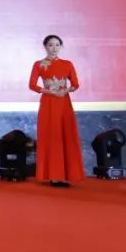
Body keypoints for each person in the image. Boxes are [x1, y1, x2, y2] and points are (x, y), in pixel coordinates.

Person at [28, 35, 84, 187]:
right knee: (51, 136)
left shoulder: (67, 64)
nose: (54, 48)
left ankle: (66, 175)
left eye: (57, 45)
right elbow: (32, 85)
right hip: (48, 102)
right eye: (51, 45)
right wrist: (49, 92)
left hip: (64, 102)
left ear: (61, 47)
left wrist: (65, 91)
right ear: (45, 46)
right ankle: (54, 176)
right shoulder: (39, 64)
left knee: (65, 136)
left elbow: (75, 84)